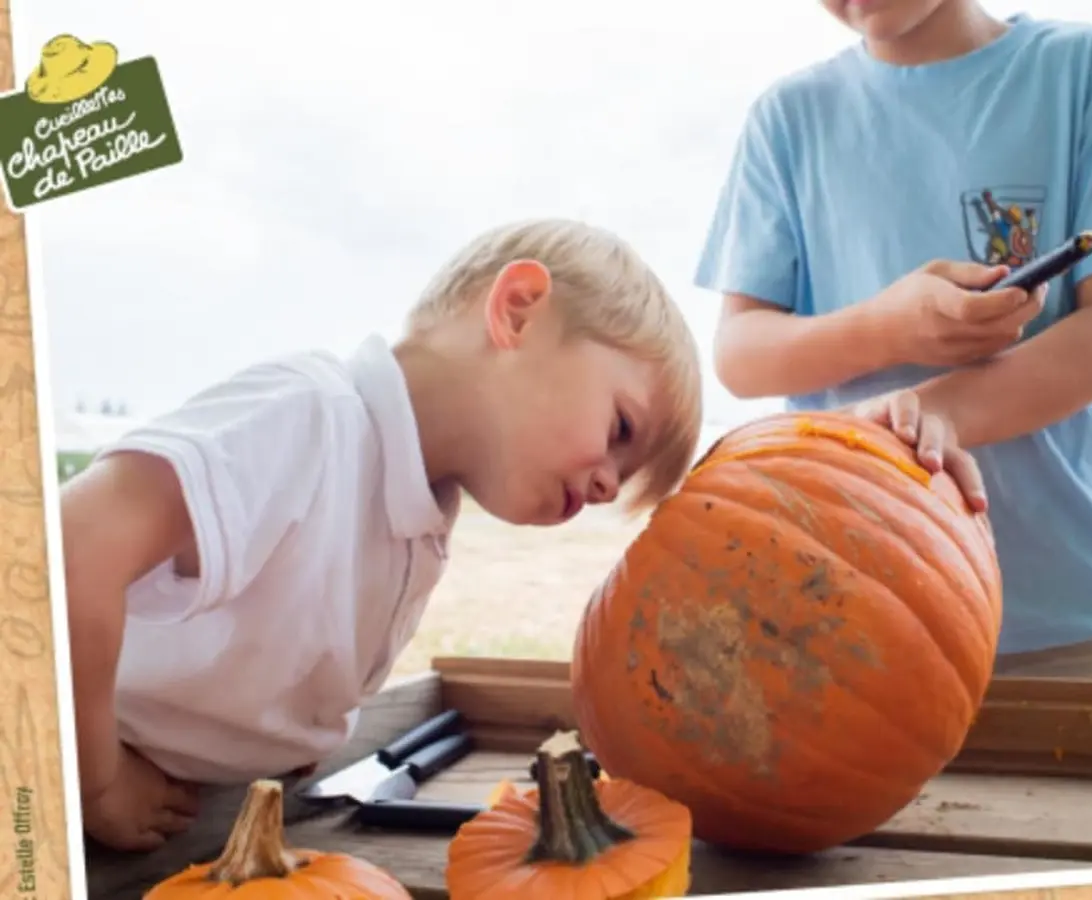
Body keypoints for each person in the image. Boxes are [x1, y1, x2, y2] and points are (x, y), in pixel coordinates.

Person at [63, 218, 712, 852]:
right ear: (518, 311)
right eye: (621, 430)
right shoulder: (309, 419)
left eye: (622, 483)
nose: (606, 489)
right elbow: (68, 554)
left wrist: (288, 737)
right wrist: (95, 783)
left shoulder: (420, 520)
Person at [695, 1, 1092, 683]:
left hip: (1082, 617)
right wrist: (890, 327)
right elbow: (741, 353)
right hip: (853, 629)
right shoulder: (787, 118)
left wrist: (931, 413)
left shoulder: (1086, 69)